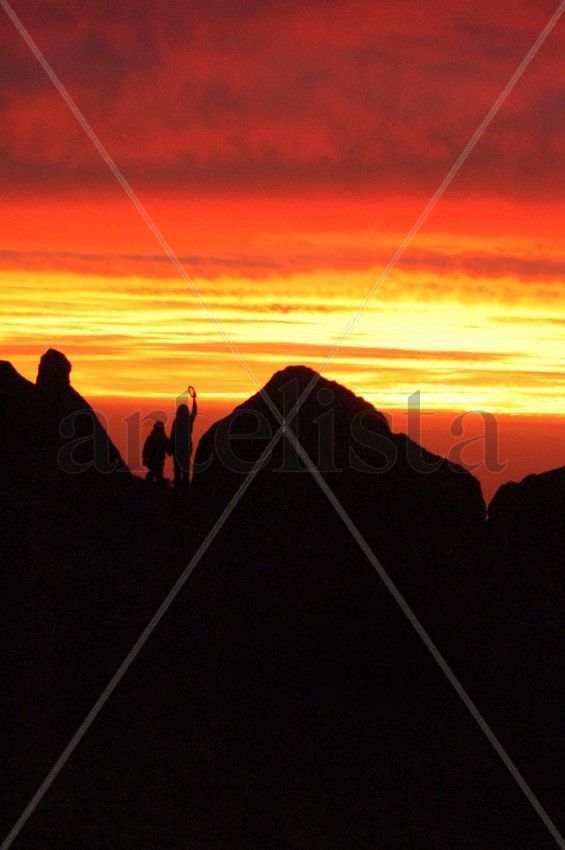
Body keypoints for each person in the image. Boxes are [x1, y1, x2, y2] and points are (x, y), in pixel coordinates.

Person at [169, 385, 197, 489]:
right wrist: (194, 399)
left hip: (178, 449)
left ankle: (178, 487)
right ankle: (185, 488)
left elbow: (172, 436)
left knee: (177, 470)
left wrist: (170, 448)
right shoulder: (188, 421)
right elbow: (194, 411)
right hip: (186, 449)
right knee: (185, 471)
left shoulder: (176, 421)